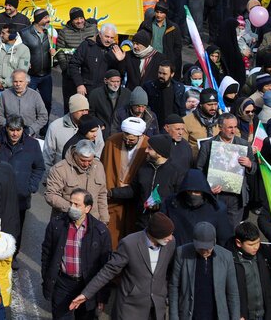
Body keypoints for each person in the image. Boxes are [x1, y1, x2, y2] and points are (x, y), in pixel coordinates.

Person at [70, 212, 177, 319]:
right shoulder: (129, 244)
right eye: (167, 235)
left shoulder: (170, 244)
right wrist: (86, 294)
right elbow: (108, 271)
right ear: (155, 234)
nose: (170, 238)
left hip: (157, 308)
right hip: (131, 308)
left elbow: (169, 271)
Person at [40, 188, 112, 320]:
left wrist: (102, 296)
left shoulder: (100, 232)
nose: (72, 207)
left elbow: (106, 267)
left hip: (88, 286)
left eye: (77, 205)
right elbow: (46, 254)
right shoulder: (57, 224)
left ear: (88, 208)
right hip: (63, 284)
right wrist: (47, 279)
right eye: (71, 203)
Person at [194, 112, 256, 228]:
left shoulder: (244, 144)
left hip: (236, 197)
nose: (233, 131)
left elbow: (254, 168)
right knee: (215, 227)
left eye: (235, 127)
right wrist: (208, 188)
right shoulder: (208, 145)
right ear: (220, 127)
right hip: (216, 195)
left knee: (233, 230)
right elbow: (199, 169)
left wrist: (249, 164)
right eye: (230, 127)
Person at [168, 222, 240, 320]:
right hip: (190, 315)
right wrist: (174, 317)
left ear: (214, 242)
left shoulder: (226, 256)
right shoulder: (181, 253)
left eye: (208, 248)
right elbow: (174, 287)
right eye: (201, 248)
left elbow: (233, 293)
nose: (205, 252)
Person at [101, 117, 148, 247]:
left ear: (140, 136)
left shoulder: (147, 146)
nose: (128, 141)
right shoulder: (112, 142)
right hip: (113, 197)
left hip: (134, 200)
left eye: (132, 139)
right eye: (126, 137)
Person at [45, 140, 109, 224]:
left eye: (90, 161)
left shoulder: (98, 167)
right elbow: (51, 195)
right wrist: (73, 208)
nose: (86, 164)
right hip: (66, 221)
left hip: (92, 221)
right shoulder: (60, 169)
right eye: (82, 160)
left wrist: (104, 219)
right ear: (75, 155)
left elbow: (102, 194)